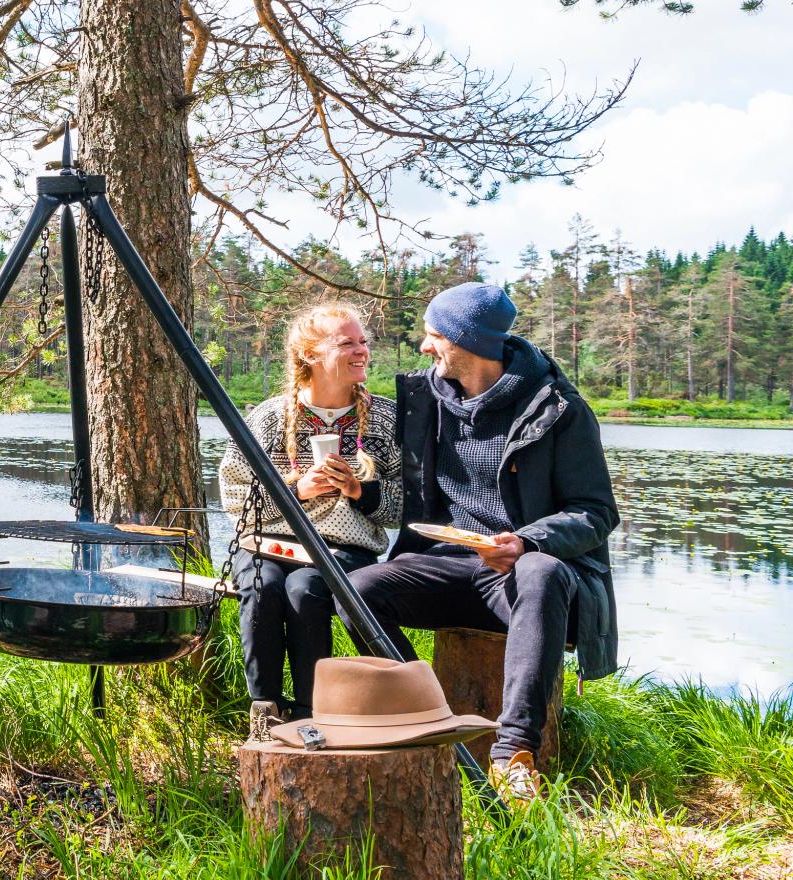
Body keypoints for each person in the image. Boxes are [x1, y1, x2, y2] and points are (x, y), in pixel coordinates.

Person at [350, 282, 619, 801]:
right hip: (447, 565)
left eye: (434, 336)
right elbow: (405, 489)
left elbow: (597, 512)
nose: (425, 348)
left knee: (540, 571)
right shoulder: (423, 400)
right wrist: (357, 488)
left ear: (466, 340)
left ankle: (512, 755)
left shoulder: (559, 408)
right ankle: (427, 719)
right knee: (355, 587)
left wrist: (524, 542)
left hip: (524, 580)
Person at [218, 301, 402, 736]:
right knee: (263, 586)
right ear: (310, 355)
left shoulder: (387, 419)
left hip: (344, 548)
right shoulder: (268, 417)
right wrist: (294, 491)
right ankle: (264, 711)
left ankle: (310, 713)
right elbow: (233, 493)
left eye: (363, 342)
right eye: (347, 343)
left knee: (305, 590)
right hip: (269, 541)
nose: (361, 351)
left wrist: (359, 491)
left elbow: (404, 507)